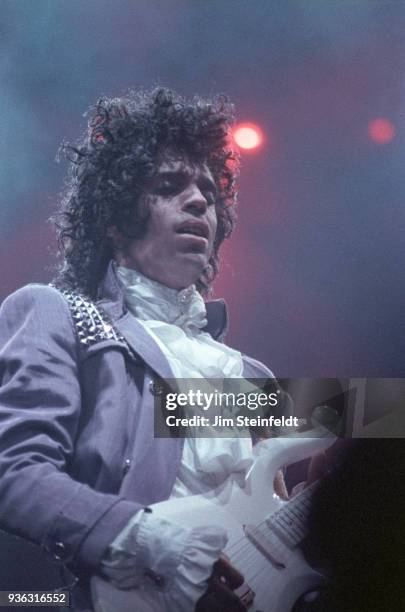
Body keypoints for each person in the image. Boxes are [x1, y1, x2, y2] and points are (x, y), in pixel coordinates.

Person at [0, 88, 278, 612]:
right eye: (170, 187)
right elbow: (12, 472)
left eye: (209, 194)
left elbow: (304, 496)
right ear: (115, 219)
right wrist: (148, 539)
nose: (199, 201)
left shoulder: (249, 374)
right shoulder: (57, 314)